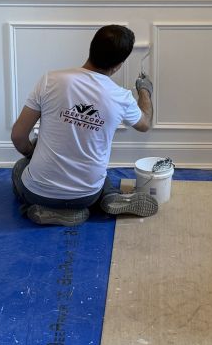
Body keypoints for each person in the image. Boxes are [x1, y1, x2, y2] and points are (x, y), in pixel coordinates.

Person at [10, 24, 157, 226]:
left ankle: (42, 209)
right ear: (118, 65)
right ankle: (108, 197)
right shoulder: (121, 97)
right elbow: (145, 123)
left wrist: (30, 153)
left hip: (40, 193)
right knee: (98, 173)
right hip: (86, 195)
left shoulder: (50, 80)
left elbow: (18, 136)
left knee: (20, 168)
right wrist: (144, 91)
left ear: (91, 48)